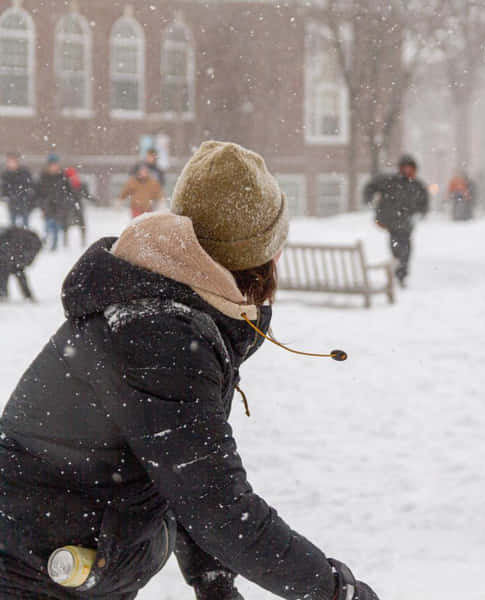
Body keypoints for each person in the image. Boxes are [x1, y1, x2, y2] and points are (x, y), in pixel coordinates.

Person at [0, 141, 378, 600]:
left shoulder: (178, 307)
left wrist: (211, 578)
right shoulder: (161, 334)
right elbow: (219, 510)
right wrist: (338, 591)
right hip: (34, 571)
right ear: (261, 254)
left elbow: (183, 474)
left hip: (65, 559)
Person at [363, 154, 429, 287]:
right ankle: (399, 272)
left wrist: (419, 215)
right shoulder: (390, 181)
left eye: (411, 168)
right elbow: (371, 186)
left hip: (407, 225)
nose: (408, 170)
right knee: (396, 248)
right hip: (392, 223)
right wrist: (369, 201)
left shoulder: (417, 185)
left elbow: (424, 204)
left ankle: (401, 273)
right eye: (406, 167)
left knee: (406, 250)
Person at [33, 154, 74, 252]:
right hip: (47, 205)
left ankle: (54, 245)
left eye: (55, 164)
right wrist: (40, 203)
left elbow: (69, 191)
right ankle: (46, 242)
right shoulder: (43, 176)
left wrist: (66, 202)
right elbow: (38, 191)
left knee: (56, 226)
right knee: (48, 226)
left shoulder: (63, 176)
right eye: (52, 165)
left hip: (59, 206)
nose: (53, 167)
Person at [0, 225, 41, 301]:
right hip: (13, 257)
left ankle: (3, 294)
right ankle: (27, 295)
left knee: (5, 273)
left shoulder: (11, 236)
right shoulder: (25, 236)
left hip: (10, 258)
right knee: (19, 274)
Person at [1, 152, 35, 228]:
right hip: (12, 203)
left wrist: (27, 197)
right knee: (13, 224)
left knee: (25, 224)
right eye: (10, 161)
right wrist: (6, 197)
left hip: (23, 202)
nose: (12, 164)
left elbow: (29, 186)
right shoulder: (6, 174)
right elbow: (4, 189)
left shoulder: (24, 172)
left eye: (13, 161)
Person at [63, 166, 90, 248]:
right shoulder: (64, 185)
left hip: (77, 207)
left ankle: (82, 241)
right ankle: (66, 242)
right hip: (69, 207)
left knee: (81, 224)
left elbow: (86, 194)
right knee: (67, 225)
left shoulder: (79, 184)